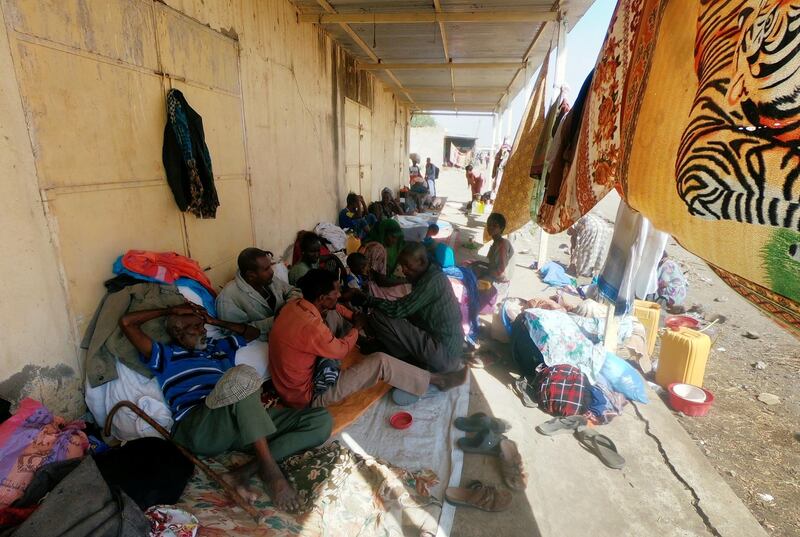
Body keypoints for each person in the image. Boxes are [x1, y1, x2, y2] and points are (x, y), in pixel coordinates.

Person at [119, 303, 332, 511]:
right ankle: (271, 472)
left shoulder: (216, 348)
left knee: (321, 421)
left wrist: (215, 321)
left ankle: (244, 472)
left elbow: (252, 332)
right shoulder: (165, 355)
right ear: (178, 331)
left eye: (203, 325)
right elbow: (127, 323)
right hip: (200, 425)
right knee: (241, 377)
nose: (203, 330)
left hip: (238, 422)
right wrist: (169, 309)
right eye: (196, 327)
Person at [268, 269, 466, 409]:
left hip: (293, 383)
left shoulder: (295, 306)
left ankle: (367, 344)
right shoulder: (312, 327)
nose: (339, 294)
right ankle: (438, 380)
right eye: (335, 291)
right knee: (381, 361)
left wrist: (352, 316)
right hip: (309, 396)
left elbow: (335, 308)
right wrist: (357, 327)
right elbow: (341, 350)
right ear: (321, 298)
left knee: (335, 316)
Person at [358, 242, 464, 373]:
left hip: (444, 356)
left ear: (421, 261)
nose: (403, 270)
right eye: (402, 265)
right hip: (446, 352)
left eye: (407, 266)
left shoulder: (432, 281)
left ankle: (406, 359)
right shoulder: (429, 277)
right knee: (391, 313)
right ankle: (402, 354)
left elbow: (398, 310)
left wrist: (366, 299)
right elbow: (408, 310)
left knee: (379, 315)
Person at [216, 248, 302, 341]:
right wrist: (277, 319)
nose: (272, 271)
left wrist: (288, 307)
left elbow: (293, 291)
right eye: (266, 269)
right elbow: (236, 333)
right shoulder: (228, 297)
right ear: (251, 275)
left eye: (270, 266)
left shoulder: (268, 279)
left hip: (287, 330)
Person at [359, 219, 411, 300]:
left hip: (367, 282)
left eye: (397, 238)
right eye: (392, 237)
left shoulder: (369, 241)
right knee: (407, 289)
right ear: (384, 233)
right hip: (371, 287)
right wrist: (404, 280)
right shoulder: (379, 249)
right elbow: (381, 281)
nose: (395, 241)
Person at [470, 213, 515, 284]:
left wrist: (482, 272)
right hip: (496, 277)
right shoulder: (496, 242)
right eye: (489, 225)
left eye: (495, 225)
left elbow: (500, 273)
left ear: (501, 228)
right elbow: (494, 266)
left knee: (471, 279)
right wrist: (479, 263)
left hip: (500, 282)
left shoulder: (502, 245)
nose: (490, 227)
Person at [566, 213, 612, 278]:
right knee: (597, 248)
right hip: (604, 228)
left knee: (583, 248)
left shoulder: (573, 221)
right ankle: (592, 270)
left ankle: (578, 269)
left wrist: (573, 260)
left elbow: (574, 240)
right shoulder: (584, 215)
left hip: (591, 226)